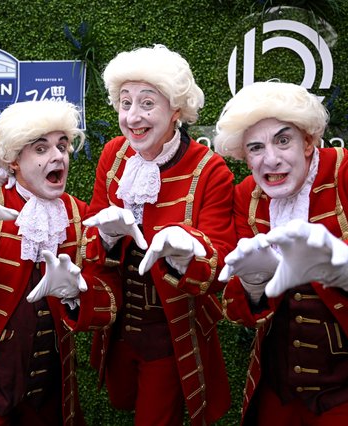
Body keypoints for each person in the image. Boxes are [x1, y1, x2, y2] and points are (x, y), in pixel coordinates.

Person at [213, 81, 348, 426]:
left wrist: (346, 263)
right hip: (279, 387)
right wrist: (254, 283)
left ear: (309, 140)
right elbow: (238, 309)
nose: (270, 159)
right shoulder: (247, 196)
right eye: (255, 147)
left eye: (283, 140)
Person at [0, 99, 116, 426]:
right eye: (41, 149)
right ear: (13, 160)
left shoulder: (79, 216)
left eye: (62, 146)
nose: (58, 156)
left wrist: (77, 295)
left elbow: (108, 304)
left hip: (48, 393)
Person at [81, 44, 236, 425]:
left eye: (147, 103)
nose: (133, 116)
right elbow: (89, 240)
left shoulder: (210, 169)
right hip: (119, 333)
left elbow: (221, 266)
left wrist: (187, 254)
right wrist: (105, 238)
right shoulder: (113, 156)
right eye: (125, 102)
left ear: (176, 111)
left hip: (171, 335)